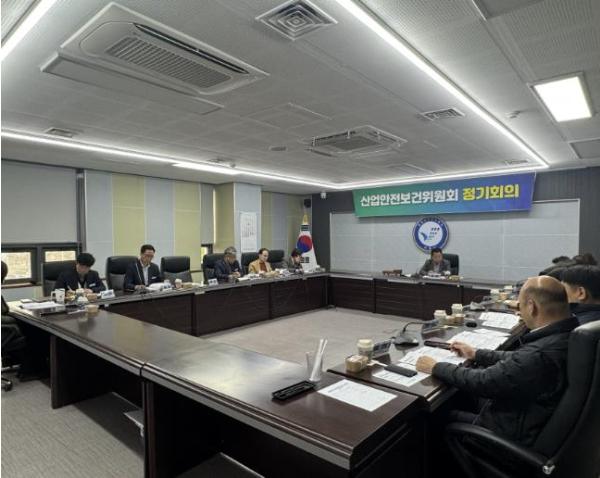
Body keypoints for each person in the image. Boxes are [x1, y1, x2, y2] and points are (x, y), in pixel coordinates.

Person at [416, 276, 578, 446]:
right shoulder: (565, 334)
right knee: (461, 396)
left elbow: (483, 381)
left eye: (520, 306)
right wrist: (476, 354)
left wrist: (436, 366)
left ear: (531, 306)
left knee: (436, 414)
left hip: (507, 436)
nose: (519, 312)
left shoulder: (539, 354)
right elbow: (517, 359)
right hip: (527, 414)